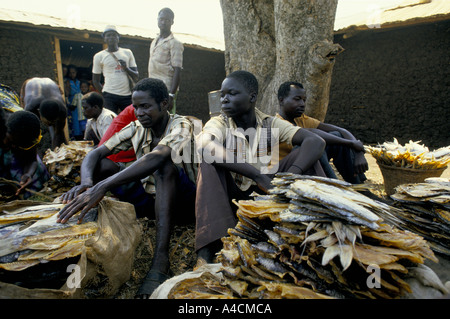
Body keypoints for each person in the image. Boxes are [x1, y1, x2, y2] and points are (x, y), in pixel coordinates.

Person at [57, 78, 197, 298]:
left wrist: (103, 186)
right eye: (136, 106)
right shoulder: (136, 127)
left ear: (164, 104)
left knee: (164, 166)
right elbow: (95, 154)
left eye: (146, 106)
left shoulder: (182, 125)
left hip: (185, 201)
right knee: (103, 165)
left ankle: (160, 260)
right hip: (153, 199)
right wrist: (87, 183)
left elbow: (158, 156)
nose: (139, 112)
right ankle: (125, 220)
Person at [194, 71, 326, 265]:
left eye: (231, 93)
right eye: (222, 95)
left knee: (307, 156)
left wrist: (289, 176)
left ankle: (315, 226)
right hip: (232, 199)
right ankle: (210, 250)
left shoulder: (269, 123)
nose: (224, 99)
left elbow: (315, 141)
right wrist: (256, 175)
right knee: (208, 160)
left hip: (269, 192)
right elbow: (204, 145)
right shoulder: (220, 122)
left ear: (252, 97)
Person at [277, 81, 368, 184]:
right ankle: (334, 187)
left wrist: (358, 151)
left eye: (304, 100)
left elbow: (341, 131)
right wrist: (351, 143)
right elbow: (313, 134)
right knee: (313, 146)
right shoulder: (278, 123)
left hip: (306, 168)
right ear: (282, 101)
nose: (302, 104)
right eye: (297, 99)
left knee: (336, 137)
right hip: (286, 172)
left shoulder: (301, 120)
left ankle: (359, 185)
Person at [0, 109, 50, 199]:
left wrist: (28, 174)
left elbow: (32, 159)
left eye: (19, 145)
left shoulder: (27, 126)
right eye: (11, 142)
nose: (13, 147)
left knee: (38, 172)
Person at [92, 25, 139, 114]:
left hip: (127, 95)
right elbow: (95, 80)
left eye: (114, 35)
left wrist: (126, 68)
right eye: (108, 35)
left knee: (131, 121)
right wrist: (104, 95)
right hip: (109, 95)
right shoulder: (99, 56)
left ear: (118, 37)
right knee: (111, 122)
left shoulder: (127, 53)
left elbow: (136, 76)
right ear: (104, 38)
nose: (111, 37)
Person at [148, 8, 183, 114]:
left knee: (166, 118)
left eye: (167, 20)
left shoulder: (175, 43)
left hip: (166, 89)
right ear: (157, 19)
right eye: (161, 19)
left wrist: (171, 95)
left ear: (172, 22)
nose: (164, 22)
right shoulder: (155, 41)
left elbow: (177, 70)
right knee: (154, 116)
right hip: (153, 87)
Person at [19, 77, 68, 150]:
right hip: (30, 83)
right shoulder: (30, 106)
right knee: (29, 130)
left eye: (53, 121)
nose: (50, 124)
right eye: (48, 121)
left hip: (50, 84)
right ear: (39, 113)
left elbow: (59, 133)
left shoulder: (62, 110)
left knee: (59, 131)